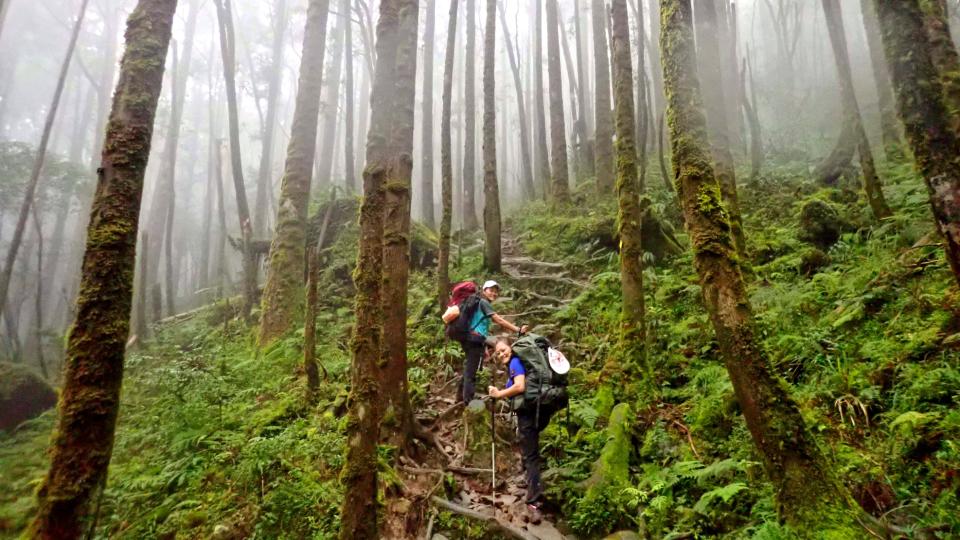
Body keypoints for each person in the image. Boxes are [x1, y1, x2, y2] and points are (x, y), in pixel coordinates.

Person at [487, 337, 551, 524]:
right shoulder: (517, 364)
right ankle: (528, 482)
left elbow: (520, 386)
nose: (501, 354)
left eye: (503, 349)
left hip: (529, 414)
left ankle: (533, 502)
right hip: (534, 411)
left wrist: (499, 394)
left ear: (511, 348)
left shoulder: (515, 362)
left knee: (531, 457)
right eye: (498, 353)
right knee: (529, 450)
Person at [459, 280, 528, 404]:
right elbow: (499, 320)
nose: (494, 294)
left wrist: (484, 345)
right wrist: (517, 330)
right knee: (471, 370)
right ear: (484, 290)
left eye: (496, 292)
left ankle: (460, 396)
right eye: (491, 290)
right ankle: (468, 400)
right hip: (474, 340)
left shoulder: (478, 303)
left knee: (469, 367)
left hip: (472, 339)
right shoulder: (483, 302)